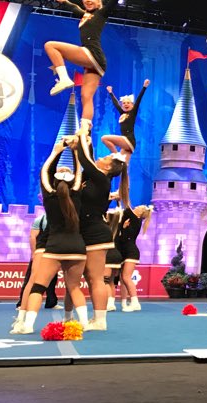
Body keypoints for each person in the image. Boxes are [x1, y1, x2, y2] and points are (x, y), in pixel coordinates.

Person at [13, 139, 89, 334]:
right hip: (77, 248)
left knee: (39, 286)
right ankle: (85, 324)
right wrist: (75, 152)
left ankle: (28, 325)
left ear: (54, 182)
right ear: (72, 182)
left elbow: (43, 173)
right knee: (74, 287)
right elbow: (79, 173)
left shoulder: (49, 197)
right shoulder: (77, 195)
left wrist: (56, 152)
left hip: (55, 247)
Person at [74, 129, 128, 331]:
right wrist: (86, 140)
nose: (100, 157)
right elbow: (85, 163)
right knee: (88, 277)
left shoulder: (102, 179)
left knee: (96, 278)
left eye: (104, 157)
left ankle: (100, 320)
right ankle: (91, 318)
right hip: (86, 230)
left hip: (96, 233)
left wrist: (81, 137)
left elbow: (85, 160)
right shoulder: (94, 177)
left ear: (107, 167)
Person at [44, 0, 120, 130]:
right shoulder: (85, 15)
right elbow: (73, 7)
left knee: (50, 45)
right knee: (86, 96)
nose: (88, 2)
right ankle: (85, 131)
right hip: (97, 63)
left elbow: (113, 3)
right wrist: (64, 1)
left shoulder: (101, 13)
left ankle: (64, 79)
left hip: (92, 54)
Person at [15, 210, 60, 324]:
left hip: (54, 251)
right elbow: (32, 236)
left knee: (52, 280)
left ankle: (51, 302)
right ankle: (21, 305)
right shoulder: (40, 220)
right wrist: (34, 253)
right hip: (41, 251)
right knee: (32, 278)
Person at [116, 205, 150, 312]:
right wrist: (123, 227)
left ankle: (135, 302)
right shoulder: (132, 220)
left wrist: (122, 193)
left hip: (131, 252)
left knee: (126, 277)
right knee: (122, 279)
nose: (136, 207)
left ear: (140, 213)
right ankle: (124, 303)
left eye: (139, 207)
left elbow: (127, 208)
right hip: (124, 251)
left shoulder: (136, 219)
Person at [103, 79, 150, 155]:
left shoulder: (132, 113)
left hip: (128, 140)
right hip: (127, 143)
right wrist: (110, 93)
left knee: (104, 138)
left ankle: (116, 155)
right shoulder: (122, 113)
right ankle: (119, 158)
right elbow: (116, 104)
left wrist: (144, 87)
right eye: (124, 103)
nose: (126, 104)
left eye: (128, 103)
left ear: (132, 105)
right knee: (123, 165)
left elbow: (138, 100)